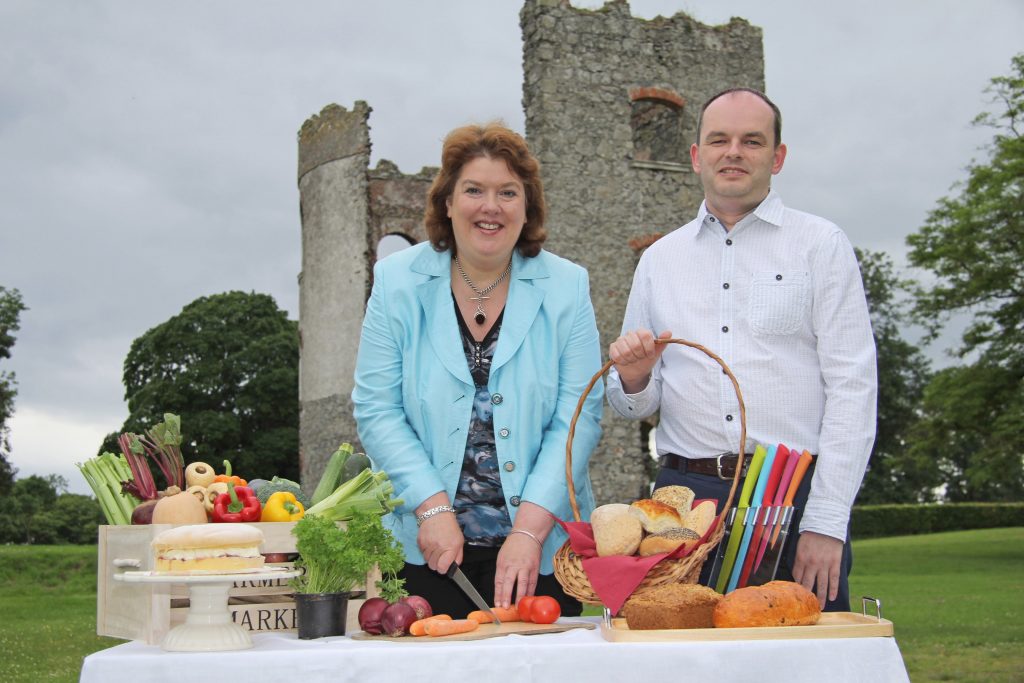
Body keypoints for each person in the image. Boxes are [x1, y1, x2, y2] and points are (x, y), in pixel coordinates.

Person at [606, 88, 877, 611]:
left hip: (792, 494)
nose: (733, 152)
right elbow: (632, 403)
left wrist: (825, 521)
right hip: (682, 504)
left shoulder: (821, 245)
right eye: (719, 140)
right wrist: (636, 378)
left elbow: (853, 388)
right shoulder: (660, 260)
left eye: (751, 141)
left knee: (806, 664)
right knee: (687, 663)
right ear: (695, 155)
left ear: (777, 157)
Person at [352, 122, 604, 618]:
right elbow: (376, 407)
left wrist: (529, 531)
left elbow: (578, 418)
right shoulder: (396, 281)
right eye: (474, 190)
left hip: (540, 551)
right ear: (447, 202)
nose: (491, 206)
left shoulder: (568, 287)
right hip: (429, 548)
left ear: (526, 206)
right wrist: (432, 507)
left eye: (508, 192)